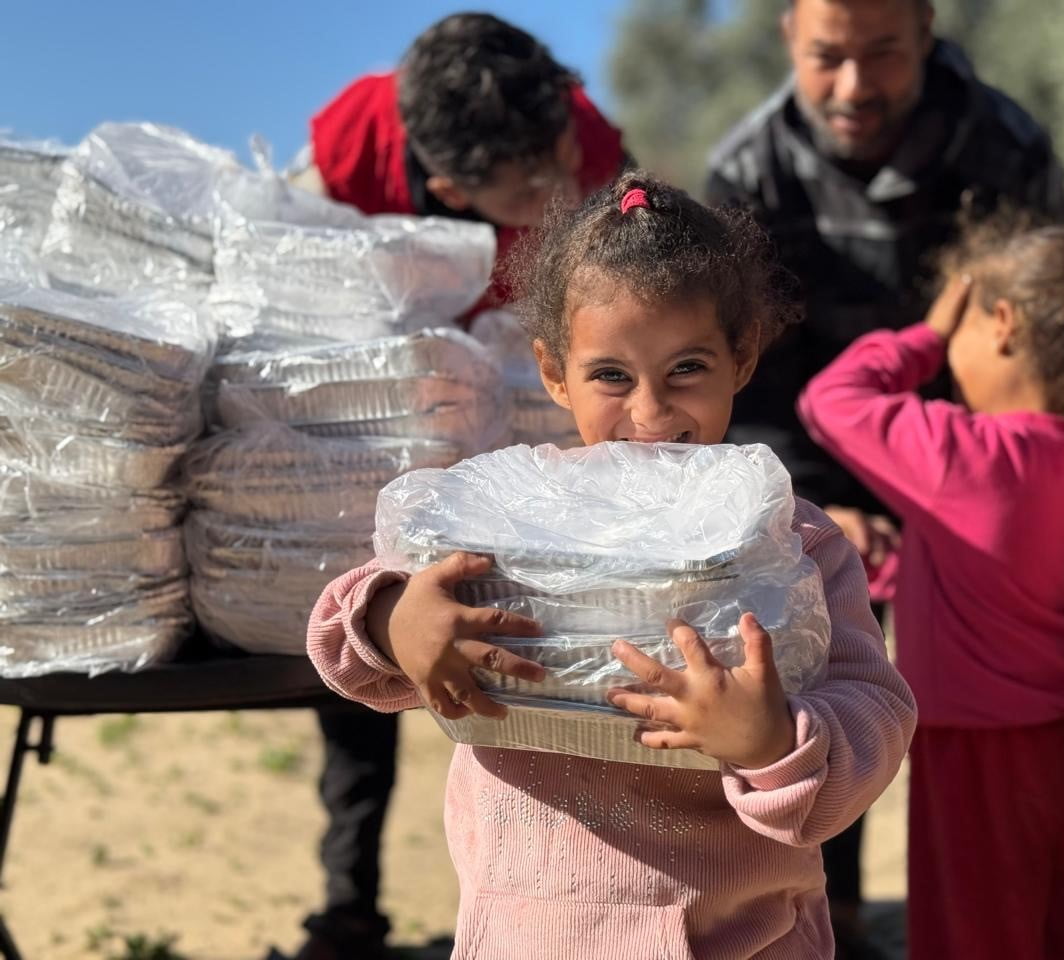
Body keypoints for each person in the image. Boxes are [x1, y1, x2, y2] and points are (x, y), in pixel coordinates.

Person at [306, 174, 918, 959]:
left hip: (744, 938)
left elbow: (875, 711)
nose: (652, 414)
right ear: (553, 371)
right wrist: (395, 620)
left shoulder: (790, 541)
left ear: (742, 357)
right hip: (528, 938)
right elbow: (340, 646)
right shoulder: (514, 516)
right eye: (612, 376)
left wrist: (773, 742)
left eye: (687, 368)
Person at [704, 0, 1064, 943]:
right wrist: (816, 505)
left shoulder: (1007, 147)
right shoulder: (748, 172)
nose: (855, 86)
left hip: (969, 471)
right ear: (789, 36)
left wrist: (975, 484)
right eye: (828, 56)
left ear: (928, 32)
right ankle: (831, 916)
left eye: (884, 54)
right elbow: (743, 377)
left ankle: (1010, 911)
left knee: (984, 707)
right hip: (811, 465)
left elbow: (1038, 338)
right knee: (812, 675)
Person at [280, 15, 628, 959]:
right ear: (449, 190)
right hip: (392, 416)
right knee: (374, 627)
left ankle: (579, 909)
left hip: (531, 418)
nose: (563, 190)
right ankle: (349, 905)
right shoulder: (348, 151)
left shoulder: (583, 135)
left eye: (565, 157)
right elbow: (296, 299)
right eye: (530, 190)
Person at [797, 223, 1064, 959]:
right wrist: (905, 561)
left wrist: (923, 336)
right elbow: (1006, 581)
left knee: (976, 936)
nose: (945, 359)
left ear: (1003, 324)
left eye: (960, 329)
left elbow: (831, 399)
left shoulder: (966, 450)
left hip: (975, 749)